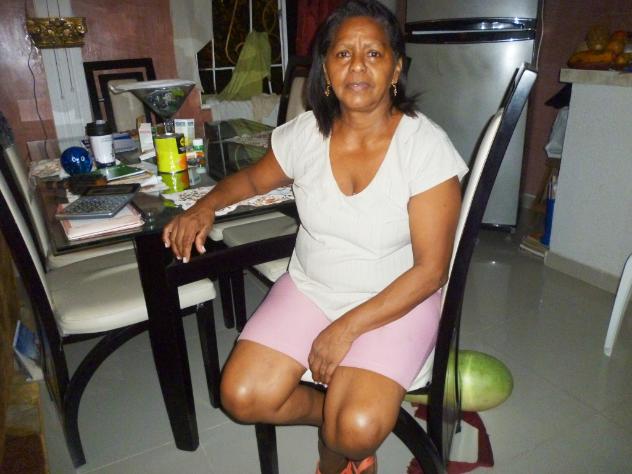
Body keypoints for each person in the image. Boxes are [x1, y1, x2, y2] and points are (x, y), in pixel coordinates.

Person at [163, 1, 467, 472]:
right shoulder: (306, 134)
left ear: (396, 69)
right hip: (312, 287)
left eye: (373, 53)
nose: (357, 66)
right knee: (241, 395)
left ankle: (335, 455)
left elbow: (431, 272)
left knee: (357, 428)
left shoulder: (425, 148)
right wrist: (205, 205)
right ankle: (333, 420)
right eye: (343, 54)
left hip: (397, 300)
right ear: (325, 69)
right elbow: (252, 180)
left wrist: (345, 329)